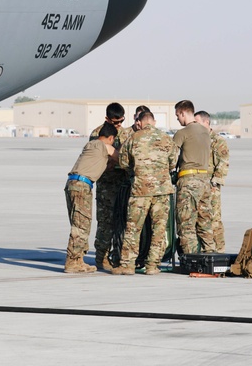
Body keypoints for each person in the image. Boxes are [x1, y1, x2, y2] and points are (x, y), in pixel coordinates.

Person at [111, 111, 177, 275]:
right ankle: (153, 265)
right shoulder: (167, 139)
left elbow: (124, 162)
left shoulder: (133, 138)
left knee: (133, 227)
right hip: (162, 190)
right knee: (159, 228)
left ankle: (127, 265)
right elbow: (173, 162)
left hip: (141, 189)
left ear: (139, 122)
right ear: (153, 122)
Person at [64, 123, 118, 273]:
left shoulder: (90, 144)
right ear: (111, 138)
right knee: (81, 226)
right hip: (82, 186)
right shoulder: (104, 146)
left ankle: (78, 260)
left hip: (71, 184)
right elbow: (121, 158)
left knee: (78, 223)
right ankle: (71, 262)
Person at [172, 100, 217, 255]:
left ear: (183, 113)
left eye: (178, 115)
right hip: (204, 181)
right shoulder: (205, 132)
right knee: (204, 222)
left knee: (186, 224)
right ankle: (210, 254)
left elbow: (171, 158)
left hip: (188, 181)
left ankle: (191, 258)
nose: (178, 119)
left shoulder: (182, 133)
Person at [89, 102, 129, 270]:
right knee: (105, 222)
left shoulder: (127, 134)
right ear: (107, 119)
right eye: (115, 122)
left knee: (122, 222)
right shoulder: (97, 134)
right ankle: (101, 257)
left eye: (121, 121)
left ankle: (119, 256)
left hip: (122, 183)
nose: (118, 125)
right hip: (106, 184)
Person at [195, 110, 229, 251]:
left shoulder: (217, 141)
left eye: (197, 123)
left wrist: (214, 183)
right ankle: (205, 250)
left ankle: (219, 250)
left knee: (214, 220)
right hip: (198, 184)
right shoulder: (197, 140)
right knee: (201, 220)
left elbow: (223, 162)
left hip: (212, 186)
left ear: (206, 122)